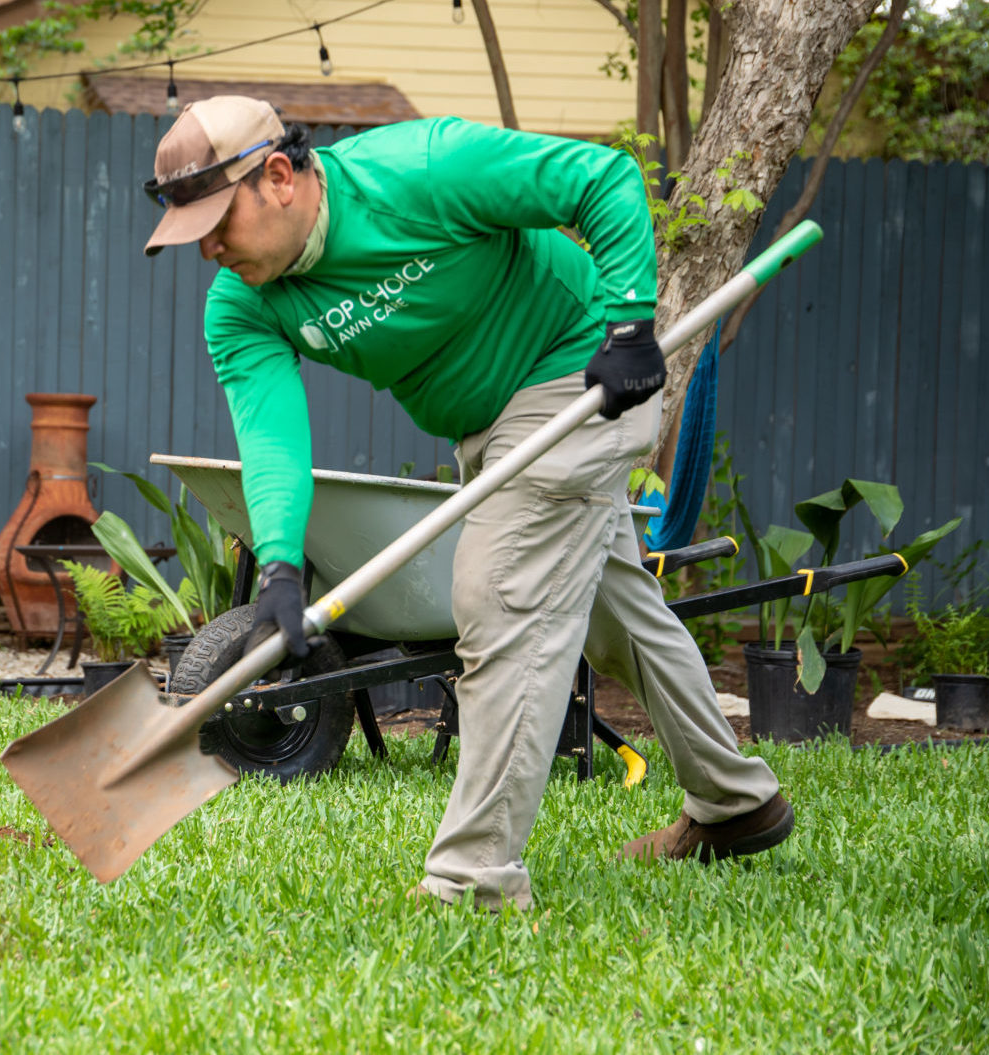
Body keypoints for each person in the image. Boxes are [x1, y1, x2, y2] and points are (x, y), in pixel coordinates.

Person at [142, 95, 793, 911]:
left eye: (215, 221)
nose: (206, 248)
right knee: (614, 613)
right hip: (484, 421)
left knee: (499, 596)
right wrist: (278, 567)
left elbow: (604, 179)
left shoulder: (422, 168)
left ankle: (473, 879)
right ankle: (737, 803)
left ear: (277, 177)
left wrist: (630, 325)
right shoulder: (241, 305)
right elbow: (272, 440)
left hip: (581, 376)